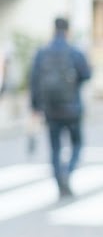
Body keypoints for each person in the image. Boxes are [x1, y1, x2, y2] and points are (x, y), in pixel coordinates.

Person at [29, 16, 92, 198]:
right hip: (72, 108)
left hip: (50, 109)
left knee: (55, 148)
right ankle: (67, 172)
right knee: (77, 144)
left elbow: (34, 81)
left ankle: (59, 180)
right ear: (67, 30)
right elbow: (87, 74)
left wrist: (35, 106)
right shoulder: (74, 52)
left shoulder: (42, 53)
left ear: (53, 29)